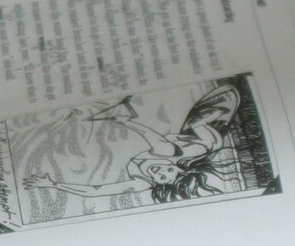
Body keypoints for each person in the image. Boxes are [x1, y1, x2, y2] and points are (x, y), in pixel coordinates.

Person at [26, 85, 246, 205]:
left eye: (161, 176)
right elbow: (152, 137)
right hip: (207, 142)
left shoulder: (142, 183)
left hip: (186, 142)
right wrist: (128, 122)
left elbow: (96, 191)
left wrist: (54, 185)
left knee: (169, 146)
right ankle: (209, 119)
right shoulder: (167, 153)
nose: (160, 169)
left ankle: (207, 119)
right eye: (169, 169)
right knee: (172, 147)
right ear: (179, 166)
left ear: (158, 184)